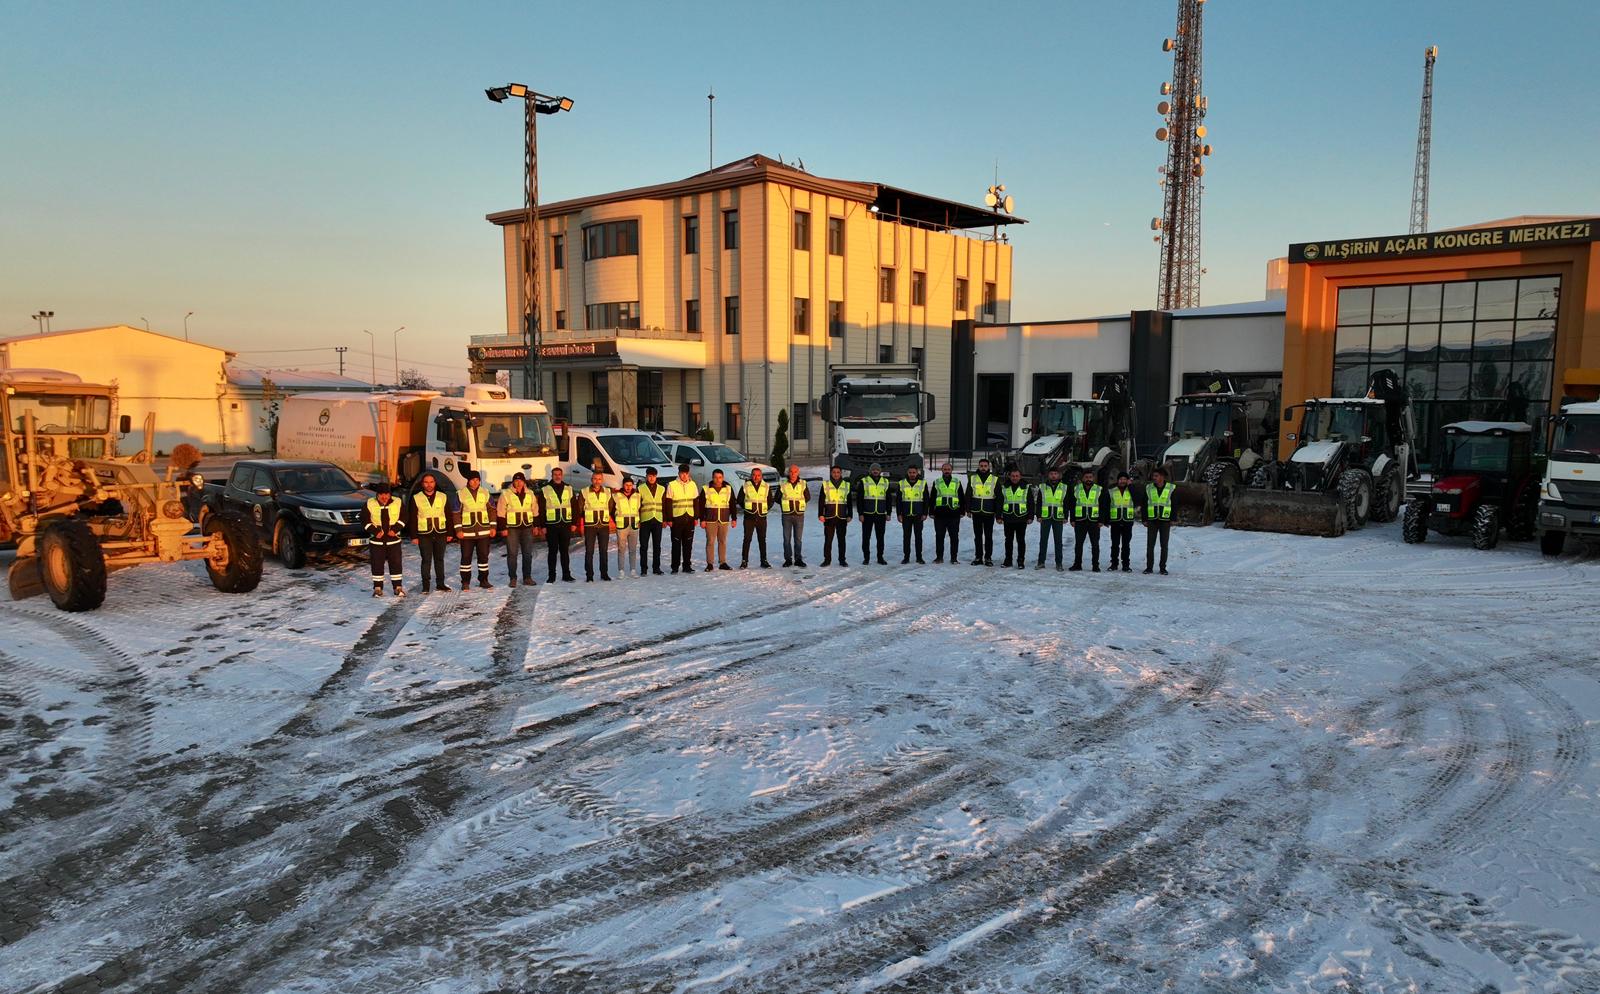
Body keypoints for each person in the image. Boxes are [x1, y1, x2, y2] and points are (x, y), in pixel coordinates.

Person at [363, 480, 405, 597]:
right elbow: (364, 520)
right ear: (377, 495)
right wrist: (375, 531)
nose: (384, 497)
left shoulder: (398, 502)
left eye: (386, 494)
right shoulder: (369, 503)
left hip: (394, 540)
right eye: (381, 494)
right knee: (377, 564)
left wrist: (395, 529)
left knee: (396, 564)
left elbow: (404, 517)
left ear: (390, 494)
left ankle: (398, 587)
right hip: (377, 541)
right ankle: (377, 588)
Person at [496, 472, 539, 587]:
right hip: (512, 529)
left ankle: (527, 577)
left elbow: (535, 510)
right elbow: (500, 512)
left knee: (527, 554)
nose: (518, 482)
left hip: (527, 527)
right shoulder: (506, 494)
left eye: (520, 480)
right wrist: (503, 528)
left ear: (524, 482)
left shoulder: (530, 493)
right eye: (516, 480)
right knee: (512, 554)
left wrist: (536, 526)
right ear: (513, 482)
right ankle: (513, 578)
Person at [411, 472, 451, 592]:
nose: (429, 484)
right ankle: (426, 586)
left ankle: (440, 584)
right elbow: (413, 518)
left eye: (431, 482)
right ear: (422, 484)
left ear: (435, 483)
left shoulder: (442, 496)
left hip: (441, 533)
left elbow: (448, 515)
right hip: (424, 534)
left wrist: (450, 533)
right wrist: (414, 536)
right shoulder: (416, 497)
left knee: (440, 560)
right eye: (426, 482)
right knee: (426, 560)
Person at [455, 471, 495, 589]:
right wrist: (458, 530)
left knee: (483, 557)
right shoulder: (461, 494)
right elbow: (456, 513)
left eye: (477, 479)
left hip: (483, 532)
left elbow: (492, 510)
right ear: (468, 481)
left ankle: (484, 580)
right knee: (466, 558)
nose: (475, 482)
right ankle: (465, 582)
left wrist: (493, 527)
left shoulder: (485, 492)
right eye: (473, 479)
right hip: (466, 533)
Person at [540, 467, 576, 583]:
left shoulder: (569, 488)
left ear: (562, 475)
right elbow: (541, 509)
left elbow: (575, 507)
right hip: (551, 525)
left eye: (559, 474)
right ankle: (551, 576)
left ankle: (566, 575)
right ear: (552, 475)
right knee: (552, 551)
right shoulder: (545, 489)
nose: (557, 476)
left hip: (565, 524)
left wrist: (574, 523)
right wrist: (543, 526)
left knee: (565, 551)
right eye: (555, 474)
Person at [576, 471, 613, 582]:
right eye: (595, 479)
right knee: (589, 551)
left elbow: (610, 506)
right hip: (590, 525)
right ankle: (589, 575)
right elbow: (580, 508)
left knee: (603, 550)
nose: (597, 481)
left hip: (603, 525)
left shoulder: (607, 491)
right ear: (591, 480)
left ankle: (604, 574)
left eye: (599, 479)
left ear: (602, 480)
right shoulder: (584, 491)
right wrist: (588, 516)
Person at [665, 463, 700, 574]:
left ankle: (687, 566)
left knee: (688, 544)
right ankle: (675, 567)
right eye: (682, 474)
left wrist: (696, 517)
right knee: (676, 544)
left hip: (689, 517)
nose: (684, 476)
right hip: (677, 518)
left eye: (686, 474)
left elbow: (696, 502)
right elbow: (668, 503)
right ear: (678, 473)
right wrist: (669, 519)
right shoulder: (672, 485)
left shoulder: (693, 485)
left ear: (688, 473)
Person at [700, 468, 736, 570]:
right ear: (712, 478)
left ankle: (722, 563)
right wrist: (702, 519)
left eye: (720, 477)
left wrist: (734, 518)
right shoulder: (706, 488)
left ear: (723, 478)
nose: (718, 479)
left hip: (724, 519)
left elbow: (732, 503)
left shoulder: (728, 489)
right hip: (710, 519)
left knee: (723, 541)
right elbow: (701, 505)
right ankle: (710, 564)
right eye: (715, 477)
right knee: (710, 541)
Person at [999, 466, 1034, 569]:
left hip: (1021, 518)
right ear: (1009, 476)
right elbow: (1000, 502)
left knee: (1021, 541)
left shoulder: (1026, 487)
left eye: (1016, 476)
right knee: (1008, 540)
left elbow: (1031, 503)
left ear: (1020, 476)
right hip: (1008, 517)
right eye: (1013, 476)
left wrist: (1030, 516)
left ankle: (1020, 561)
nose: (1014, 478)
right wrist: (998, 516)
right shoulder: (1004, 486)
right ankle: (1008, 560)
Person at [1034, 466, 1068, 572]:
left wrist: (1065, 516)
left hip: (1058, 517)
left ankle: (1059, 563)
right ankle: (1041, 562)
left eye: (1055, 474)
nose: (1053, 476)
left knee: (1058, 541)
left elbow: (1066, 503)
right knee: (1043, 540)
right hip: (1045, 517)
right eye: (1051, 474)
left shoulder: (1064, 487)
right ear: (1048, 475)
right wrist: (1038, 515)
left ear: (1059, 475)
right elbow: (1039, 502)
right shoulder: (1043, 487)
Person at [1070, 468, 1104, 572]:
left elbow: (1103, 506)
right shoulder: (1076, 489)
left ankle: (1095, 565)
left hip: (1094, 521)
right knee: (1079, 544)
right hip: (1080, 520)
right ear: (1082, 478)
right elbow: (1072, 505)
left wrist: (1101, 520)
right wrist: (1072, 519)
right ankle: (1077, 564)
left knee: (1095, 544)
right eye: (1086, 477)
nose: (1088, 479)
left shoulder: (1099, 489)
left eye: (1090, 477)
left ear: (1093, 478)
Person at [856, 463, 891, 565]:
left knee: (880, 538)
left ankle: (880, 557)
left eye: (877, 470)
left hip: (880, 514)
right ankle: (866, 558)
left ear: (880, 471)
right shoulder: (864, 481)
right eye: (873, 470)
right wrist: (860, 514)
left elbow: (888, 499)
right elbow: (859, 500)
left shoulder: (885, 482)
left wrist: (888, 513)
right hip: (867, 514)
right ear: (870, 471)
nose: (875, 471)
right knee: (866, 537)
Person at [930, 462, 965, 565]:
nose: (946, 471)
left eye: (948, 469)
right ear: (942, 470)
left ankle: (954, 558)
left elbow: (961, 498)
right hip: (939, 514)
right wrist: (931, 512)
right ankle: (939, 557)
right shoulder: (937, 482)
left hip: (954, 514)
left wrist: (962, 511)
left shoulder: (957, 482)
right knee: (939, 536)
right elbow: (932, 498)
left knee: (954, 537)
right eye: (945, 469)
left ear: (951, 470)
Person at [967, 458, 999, 566]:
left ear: (988, 467)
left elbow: (999, 498)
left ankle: (988, 558)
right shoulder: (973, 478)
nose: (983, 468)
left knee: (988, 536)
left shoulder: (994, 479)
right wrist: (968, 509)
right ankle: (978, 557)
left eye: (985, 466)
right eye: (981, 466)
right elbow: (968, 495)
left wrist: (998, 513)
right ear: (978, 466)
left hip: (989, 512)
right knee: (978, 536)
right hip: (976, 511)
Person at [738, 467, 772, 568]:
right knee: (747, 539)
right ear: (751, 475)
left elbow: (770, 500)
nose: (756, 477)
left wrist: (765, 509)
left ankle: (764, 561)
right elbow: (740, 499)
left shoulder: (766, 486)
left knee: (762, 539)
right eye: (754, 475)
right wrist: (748, 509)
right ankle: (744, 561)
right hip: (749, 517)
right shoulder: (746, 485)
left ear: (761, 476)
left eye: (758, 475)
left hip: (761, 517)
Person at [1144, 467, 1175, 575]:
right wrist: (1144, 519)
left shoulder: (1171, 488)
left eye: (1156, 476)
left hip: (1165, 520)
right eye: (1153, 476)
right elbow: (1145, 504)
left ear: (1162, 477)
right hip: (1152, 520)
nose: (1154, 478)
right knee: (1150, 545)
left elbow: (1174, 504)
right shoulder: (1149, 488)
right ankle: (1149, 567)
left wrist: (1173, 519)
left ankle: (1163, 568)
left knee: (1164, 546)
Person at [818, 465, 851, 567]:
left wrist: (850, 514)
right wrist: (820, 514)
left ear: (841, 473)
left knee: (842, 540)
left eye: (838, 472)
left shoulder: (846, 485)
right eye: (834, 472)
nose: (836, 474)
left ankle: (842, 560)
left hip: (841, 517)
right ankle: (827, 560)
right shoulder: (825, 485)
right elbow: (821, 501)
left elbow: (849, 502)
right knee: (828, 540)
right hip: (829, 516)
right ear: (831, 473)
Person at [895, 465, 928, 564]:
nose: (912, 474)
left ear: (917, 473)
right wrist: (899, 514)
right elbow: (898, 501)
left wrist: (925, 513)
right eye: (910, 472)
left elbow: (926, 500)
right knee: (906, 537)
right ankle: (906, 557)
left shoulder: (923, 483)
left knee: (918, 536)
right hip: (906, 515)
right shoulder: (902, 483)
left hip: (918, 515)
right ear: (907, 473)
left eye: (914, 472)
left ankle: (919, 557)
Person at [1106, 471, 1138, 573]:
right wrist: (1106, 520)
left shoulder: (1132, 490)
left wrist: (1131, 486)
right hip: (1115, 521)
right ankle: (1114, 564)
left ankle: (1126, 565)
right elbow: (1106, 506)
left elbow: (1137, 498)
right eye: (1120, 479)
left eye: (1124, 479)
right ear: (1118, 480)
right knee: (1114, 544)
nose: (1122, 481)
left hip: (1127, 521)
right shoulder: (1112, 490)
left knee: (1126, 545)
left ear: (1127, 480)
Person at [637, 467, 666, 576]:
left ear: (656, 477)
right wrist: (638, 520)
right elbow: (637, 506)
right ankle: (644, 569)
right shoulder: (640, 488)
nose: (651, 478)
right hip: (645, 520)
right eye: (649, 476)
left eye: (653, 476)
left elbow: (664, 506)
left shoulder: (662, 489)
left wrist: (664, 519)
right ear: (646, 476)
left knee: (657, 546)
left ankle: (656, 568)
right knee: (644, 546)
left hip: (658, 519)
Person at [778, 464, 808, 568]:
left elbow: (807, 497)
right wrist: (785, 505)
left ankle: (798, 559)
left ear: (798, 472)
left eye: (795, 472)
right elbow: (777, 498)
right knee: (786, 539)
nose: (793, 474)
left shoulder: (803, 484)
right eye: (791, 471)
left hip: (799, 514)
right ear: (788, 472)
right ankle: (788, 560)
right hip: (786, 515)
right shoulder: (783, 484)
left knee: (798, 539)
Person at [612, 475, 642, 578]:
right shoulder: (616, 496)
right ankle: (621, 571)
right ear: (623, 485)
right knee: (621, 549)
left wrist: (639, 521)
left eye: (630, 485)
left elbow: (640, 509)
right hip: (622, 526)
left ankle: (633, 570)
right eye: (626, 485)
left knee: (633, 549)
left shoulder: (637, 495)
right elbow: (612, 511)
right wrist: (616, 520)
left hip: (634, 526)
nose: (628, 487)